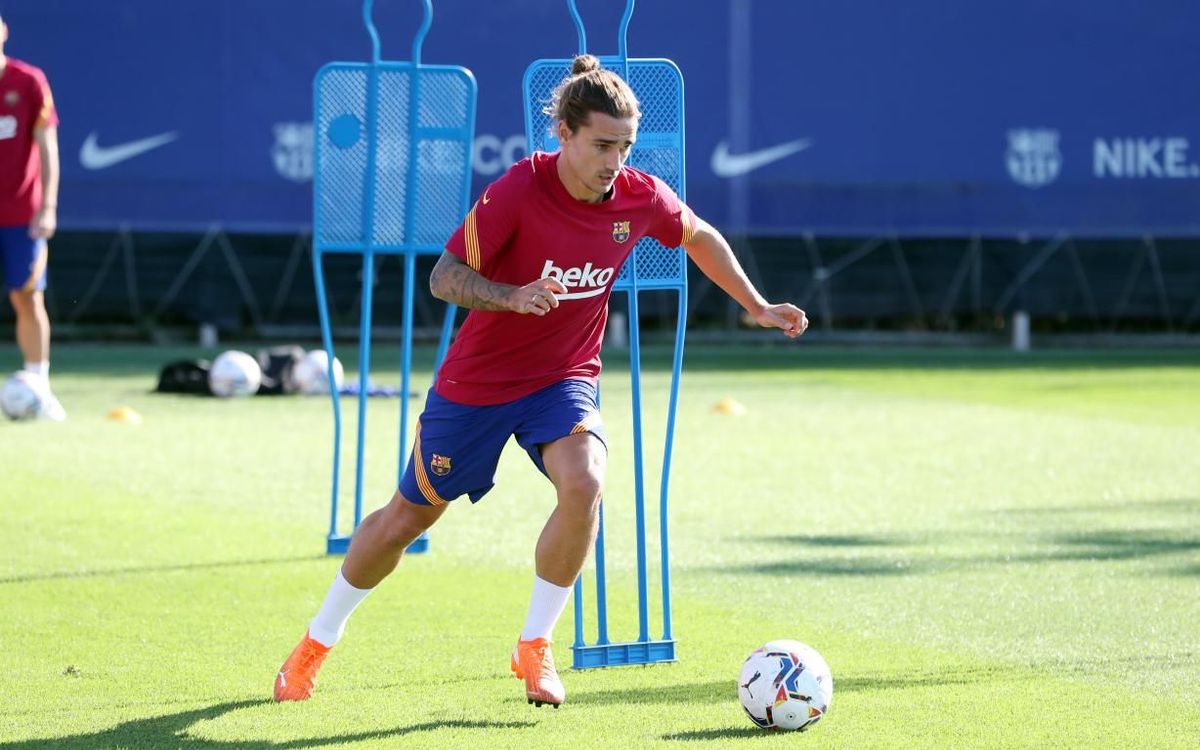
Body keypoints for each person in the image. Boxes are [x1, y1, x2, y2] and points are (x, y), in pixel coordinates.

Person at [273, 54, 808, 707]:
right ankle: (315, 643)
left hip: (563, 378)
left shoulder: (640, 195)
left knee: (585, 484)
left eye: (625, 146)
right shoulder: (517, 191)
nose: (615, 159)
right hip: (478, 384)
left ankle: (535, 646)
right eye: (602, 145)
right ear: (564, 134)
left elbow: (699, 235)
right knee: (404, 520)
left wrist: (754, 304)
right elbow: (444, 278)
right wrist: (510, 294)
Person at [0, 11, 64, 420]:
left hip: (20, 214)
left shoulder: (28, 82)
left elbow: (48, 147)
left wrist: (48, 205)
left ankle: (40, 385)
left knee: (26, 296)